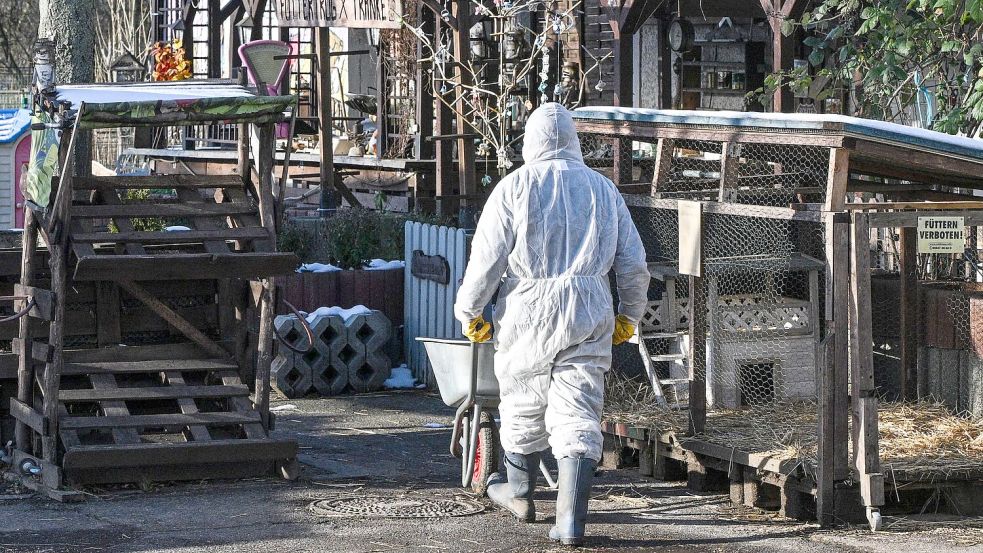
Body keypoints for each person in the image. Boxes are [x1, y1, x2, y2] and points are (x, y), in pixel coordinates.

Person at [453, 103, 650, 546]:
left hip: (527, 310)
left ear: (529, 141)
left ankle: (521, 493)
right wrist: (628, 316)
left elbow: (485, 263)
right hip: (589, 307)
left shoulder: (512, 188)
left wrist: (470, 313)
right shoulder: (603, 189)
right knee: (579, 407)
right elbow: (634, 264)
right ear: (575, 141)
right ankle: (570, 523)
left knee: (521, 398)